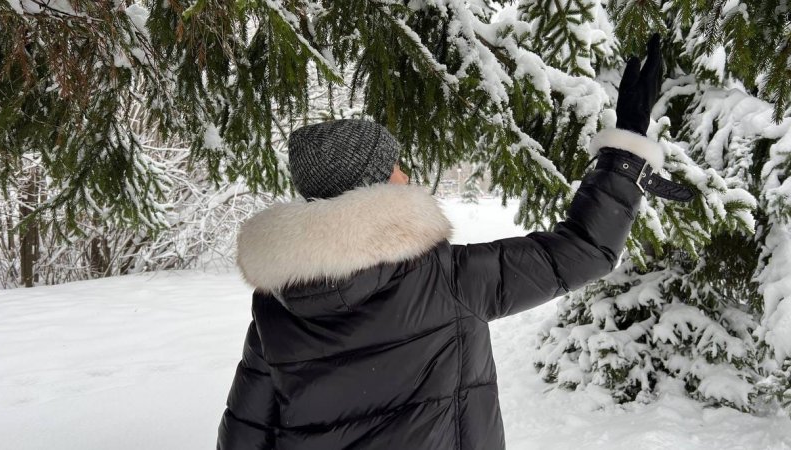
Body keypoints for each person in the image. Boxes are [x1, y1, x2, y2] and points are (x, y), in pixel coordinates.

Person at [217, 35, 691, 450]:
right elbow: (582, 252)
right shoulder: (443, 280)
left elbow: (245, 431)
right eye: (394, 167)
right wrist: (627, 146)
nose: (405, 173)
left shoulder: (276, 305)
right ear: (375, 185)